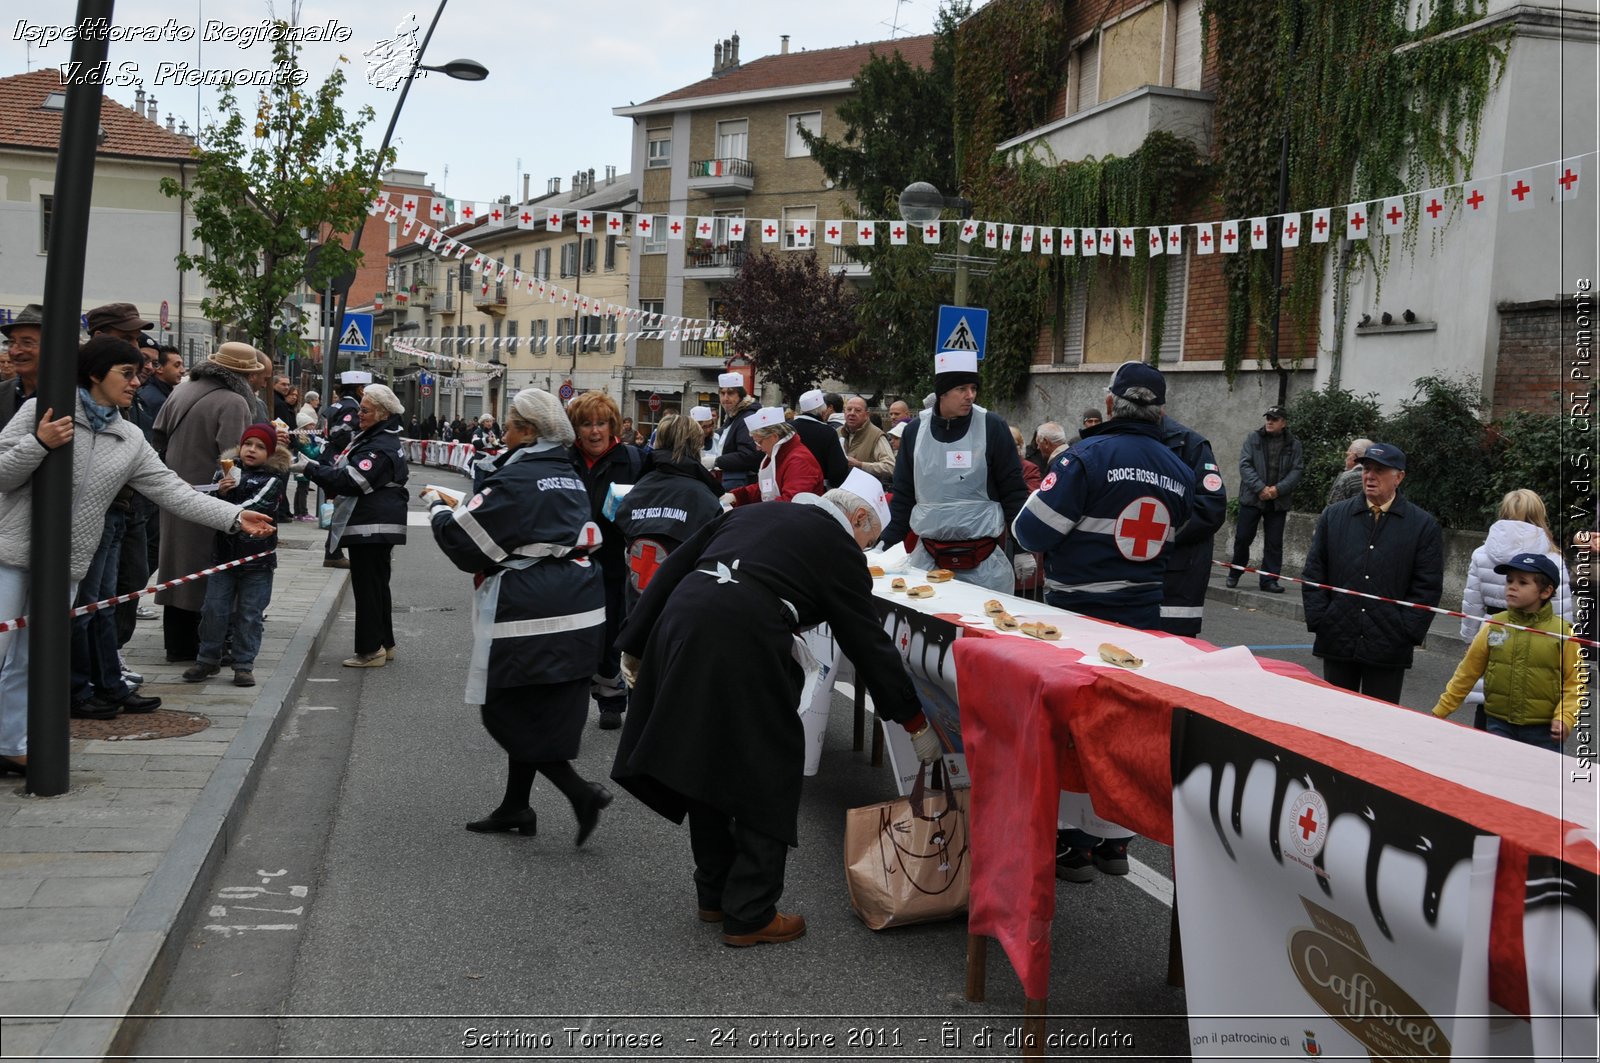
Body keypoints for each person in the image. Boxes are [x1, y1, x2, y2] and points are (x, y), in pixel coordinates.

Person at [611, 485, 936, 947]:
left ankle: (715, 893)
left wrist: (637, 640)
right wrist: (912, 719)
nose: (864, 550)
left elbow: (674, 568)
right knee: (769, 765)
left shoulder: (752, 513)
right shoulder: (838, 547)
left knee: (706, 751)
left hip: (683, 618)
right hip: (743, 631)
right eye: (869, 540)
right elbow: (867, 640)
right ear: (859, 519)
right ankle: (751, 912)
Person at [0, 336, 272, 766]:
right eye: (126, 374)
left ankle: (12, 746)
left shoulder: (128, 437)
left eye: (138, 374)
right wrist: (40, 443)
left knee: (33, 657)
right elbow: (1, 474)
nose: (135, 382)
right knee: (2, 648)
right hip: (10, 554)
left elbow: (172, 491)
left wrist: (235, 518)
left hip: (67, 565)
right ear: (95, 373)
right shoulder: (44, 412)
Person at [1011, 361, 1194, 882]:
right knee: (1121, 730)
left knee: (1071, 729)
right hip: (1141, 620)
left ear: (1109, 403)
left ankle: (1072, 842)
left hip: (1077, 619)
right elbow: (1172, 536)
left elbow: (1031, 531)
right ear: (1160, 411)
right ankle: (1115, 841)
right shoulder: (1179, 470)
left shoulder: (1084, 458)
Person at [424, 388, 614, 844]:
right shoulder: (563, 471)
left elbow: (465, 547)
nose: (503, 432)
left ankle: (580, 793)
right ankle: (516, 807)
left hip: (534, 607)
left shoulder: (518, 478)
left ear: (527, 432)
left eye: (509, 425)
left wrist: (436, 506)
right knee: (534, 705)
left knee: (503, 709)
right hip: (578, 602)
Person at [1302, 442, 1443, 703]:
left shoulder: (1422, 525)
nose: (1370, 476)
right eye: (1367, 468)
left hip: (1389, 645)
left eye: (1380, 470)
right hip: (1338, 637)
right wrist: (1322, 620)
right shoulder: (1334, 517)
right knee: (1333, 718)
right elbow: (1314, 572)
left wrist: (1406, 632)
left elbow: (1427, 586)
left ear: (1399, 477)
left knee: (1380, 722)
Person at [881, 350, 1029, 592]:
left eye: (973, 388)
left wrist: (1023, 548)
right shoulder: (914, 432)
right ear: (943, 392)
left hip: (984, 565)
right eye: (962, 389)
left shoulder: (992, 427)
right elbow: (904, 495)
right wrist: (886, 543)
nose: (970, 396)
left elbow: (1013, 492)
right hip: (928, 562)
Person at [150, 341, 261, 661]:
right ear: (241, 374)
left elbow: (158, 435)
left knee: (176, 568)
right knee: (204, 571)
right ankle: (202, 645)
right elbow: (233, 457)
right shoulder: (234, 401)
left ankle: (177, 644)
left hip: (173, 491)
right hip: (210, 499)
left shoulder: (182, 390)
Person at [298, 383, 409, 667]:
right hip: (376, 524)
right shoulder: (378, 437)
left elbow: (352, 481)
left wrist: (308, 469)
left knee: (368, 587)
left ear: (383, 414)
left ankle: (370, 650)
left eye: (365, 410)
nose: (358, 414)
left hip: (371, 526)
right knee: (376, 586)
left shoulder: (379, 445)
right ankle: (385, 643)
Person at [1432, 553, 1583, 752]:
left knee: (1540, 781)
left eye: (1522, 582)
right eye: (1509, 580)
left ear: (1546, 592)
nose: (1512, 586)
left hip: (1544, 731)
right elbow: (1466, 673)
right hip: (1498, 723)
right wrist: (1440, 711)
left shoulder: (1564, 633)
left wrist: (1565, 717)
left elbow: (1575, 683)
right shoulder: (1493, 625)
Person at [183, 423, 290, 688]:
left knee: (250, 614)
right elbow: (208, 506)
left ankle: (243, 664)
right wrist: (218, 491)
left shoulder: (273, 478)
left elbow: (257, 507)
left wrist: (225, 503)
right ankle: (207, 658)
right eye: (248, 444)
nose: (252, 450)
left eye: (260, 447)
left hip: (258, 560)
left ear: (271, 452)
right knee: (213, 610)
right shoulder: (225, 471)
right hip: (223, 557)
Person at [1457, 489, 1573, 727]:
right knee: (1531, 699)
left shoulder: (1481, 554)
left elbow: (1472, 604)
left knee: (1490, 700)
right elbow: (1562, 611)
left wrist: (1469, 639)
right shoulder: (1553, 559)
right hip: (1539, 638)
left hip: (1492, 634)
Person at [568, 390, 643, 730]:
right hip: (569, 562)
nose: (594, 431)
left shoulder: (634, 459)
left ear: (613, 425)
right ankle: (566, 702)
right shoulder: (563, 459)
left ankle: (611, 698)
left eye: (601, 423)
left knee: (612, 632)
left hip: (614, 561)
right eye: (586, 424)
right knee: (571, 635)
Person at [613, 413, 724, 610]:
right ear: (696, 447)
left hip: (636, 606)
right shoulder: (704, 499)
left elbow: (620, 526)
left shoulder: (638, 489)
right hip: (679, 609)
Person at [1155, 409, 1228, 637]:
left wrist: (1158, 534)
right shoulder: (1120, 443)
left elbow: (1211, 508)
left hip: (1178, 579)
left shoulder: (1190, 445)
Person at [1228, 405, 1304, 593]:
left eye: (1274, 419)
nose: (1269, 421)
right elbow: (1245, 465)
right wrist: (1260, 488)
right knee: (1243, 538)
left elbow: (1297, 470)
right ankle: (1234, 573)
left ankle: (1269, 581)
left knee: (1274, 543)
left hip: (1278, 501)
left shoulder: (1294, 444)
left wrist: (1277, 490)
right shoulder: (1253, 438)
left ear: (1283, 423)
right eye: (1268, 418)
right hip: (1253, 498)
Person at [725, 407, 824, 506]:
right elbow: (765, 489)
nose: (758, 448)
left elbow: (791, 503)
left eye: (759, 442)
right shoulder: (778, 455)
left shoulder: (799, 460)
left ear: (774, 437)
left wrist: (753, 511)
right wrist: (736, 496)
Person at [711, 372, 762, 490]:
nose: (725, 398)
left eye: (730, 393)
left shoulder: (746, 417)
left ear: (740, 395)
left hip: (741, 484)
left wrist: (716, 461)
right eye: (722, 393)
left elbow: (748, 455)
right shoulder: (734, 415)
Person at [792, 389, 848, 489]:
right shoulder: (828, 432)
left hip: (788, 485)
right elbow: (837, 471)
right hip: (818, 489)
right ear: (823, 411)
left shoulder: (787, 429)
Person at [0, 303, 43, 432]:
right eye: (12, 342)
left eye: (27, 343)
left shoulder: (74, 397)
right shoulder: (2, 393)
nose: (15, 351)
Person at [839, 395, 895, 486]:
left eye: (858, 410)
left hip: (865, 492)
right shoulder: (838, 432)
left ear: (866, 415)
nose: (852, 413)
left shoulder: (876, 436)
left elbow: (890, 467)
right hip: (840, 490)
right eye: (849, 409)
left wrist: (861, 465)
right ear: (844, 412)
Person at [293, 390, 322, 521]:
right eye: (310, 424)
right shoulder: (303, 438)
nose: (313, 425)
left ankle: (299, 512)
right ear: (304, 426)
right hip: (303, 466)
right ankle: (302, 512)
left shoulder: (308, 436)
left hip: (303, 466)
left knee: (301, 490)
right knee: (302, 490)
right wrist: (320, 446)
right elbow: (310, 453)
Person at [1326, 438, 1374, 506]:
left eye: (1347, 455)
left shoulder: (1346, 478)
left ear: (1354, 457)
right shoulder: (1382, 476)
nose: (1345, 459)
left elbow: (1331, 508)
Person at [1009, 425, 1042, 491]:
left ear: (1020, 446)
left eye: (1012, 444)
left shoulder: (1029, 468)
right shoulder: (990, 465)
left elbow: (1031, 495)